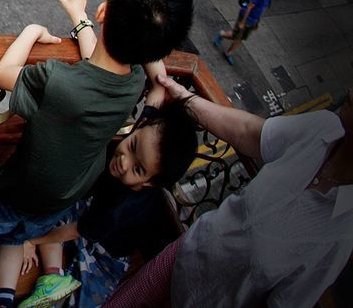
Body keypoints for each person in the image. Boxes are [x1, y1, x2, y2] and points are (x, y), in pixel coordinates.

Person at [0, 0, 193, 308]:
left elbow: (5, 74)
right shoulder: (135, 85)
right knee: (15, 238)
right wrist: (81, 17)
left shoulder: (57, 82)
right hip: (61, 199)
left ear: (104, 13)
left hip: (18, 188)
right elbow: (119, 61)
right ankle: (4, 299)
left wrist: (32, 31)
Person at [107, 78, 353, 308]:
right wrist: (185, 98)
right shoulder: (321, 128)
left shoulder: (341, 233)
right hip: (184, 256)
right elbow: (250, 132)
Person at [17, 93, 199, 308]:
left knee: (84, 299)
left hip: (106, 253)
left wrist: (30, 241)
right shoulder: (147, 137)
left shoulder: (122, 207)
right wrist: (161, 78)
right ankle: (53, 276)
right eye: (131, 146)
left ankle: (54, 279)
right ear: (140, 127)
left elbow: (74, 231)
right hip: (89, 212)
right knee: (50, 210)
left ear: (150, 183)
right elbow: (157, 92)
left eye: (137, 169)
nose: (123, 162)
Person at [214, 0, 279, 65]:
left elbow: (261, 8)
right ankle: (221, 34)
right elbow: (249, 7)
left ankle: (228, 53)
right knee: (236, 36)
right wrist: (242, 22)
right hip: (245, 18)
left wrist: (257, 21)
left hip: (253, 21)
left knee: (241, 38)